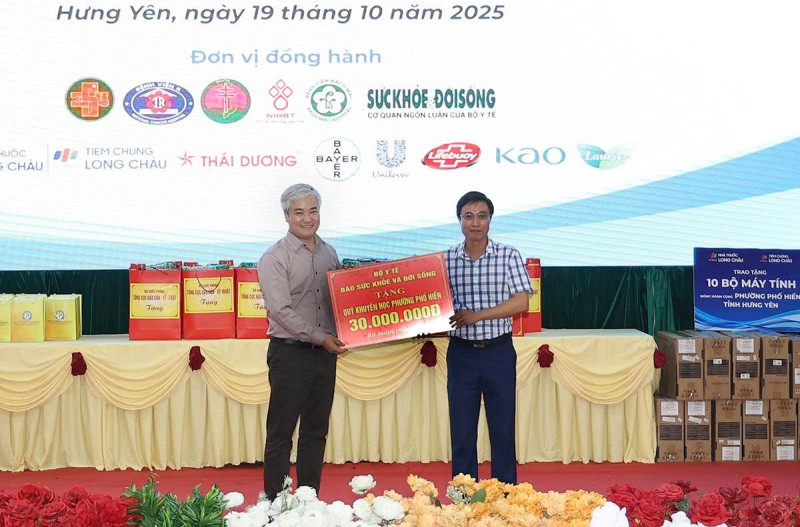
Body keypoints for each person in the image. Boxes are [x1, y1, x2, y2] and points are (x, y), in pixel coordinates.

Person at [257, 183, 347, 498]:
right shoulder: (274, 258)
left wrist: (356, 325)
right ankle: (276, 504)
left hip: (324, 356)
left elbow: (339, 300)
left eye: (313, 210)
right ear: (286, 216)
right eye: (299, 212)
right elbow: (280, 311)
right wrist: (322, 338)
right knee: (281, 434)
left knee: (315, 432)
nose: (307, 218)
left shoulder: (329, 253)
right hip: (289, 355)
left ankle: (310, 502)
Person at [444, 190, 533, 484]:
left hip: (498, 352)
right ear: (459, 220)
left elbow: (521, 302)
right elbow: (433, 304)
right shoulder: (445, 259)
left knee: (503, 429)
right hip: (461, 354)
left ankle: (505, 496)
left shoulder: (508, 255)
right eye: (468, 216)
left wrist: (477, 316)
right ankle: (464, 495)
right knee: (462, 430)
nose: (475, 223)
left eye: (482, 216)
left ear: (490, 220)